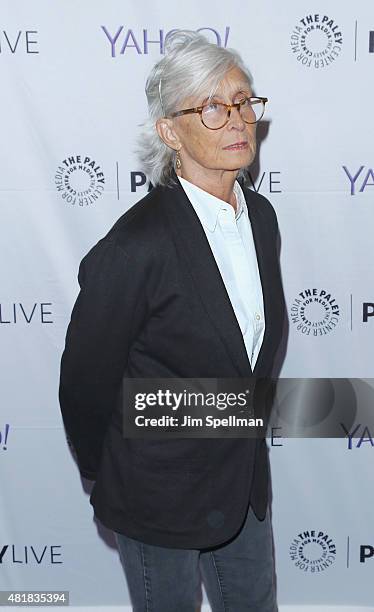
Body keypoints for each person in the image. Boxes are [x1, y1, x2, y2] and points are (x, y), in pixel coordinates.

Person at [59, 29, 285, 611]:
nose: (237, 119)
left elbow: (247, 361)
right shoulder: (136, 246)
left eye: (243, 101)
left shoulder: (260, 217)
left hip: (243, 487)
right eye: (211, 106)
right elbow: (85, 384)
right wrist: (114, 472)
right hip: (156, 494)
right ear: (169, 132)